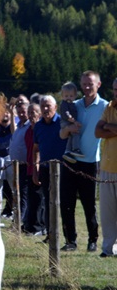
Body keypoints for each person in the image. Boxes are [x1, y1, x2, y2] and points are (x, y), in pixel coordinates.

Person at [59, 71, 106, 252]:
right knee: (66, 203)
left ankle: (93, 240)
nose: (87, 87)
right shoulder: (73, 105)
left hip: (90, 162)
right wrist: (69, 128)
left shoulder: (105, 106)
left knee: (89, 204)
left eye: (90, 84)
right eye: (84, 84)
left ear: (98, 85)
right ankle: (70, 241)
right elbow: (62, 134)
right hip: (70, 160)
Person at [31, 95, 66, 241]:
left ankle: (69, 239)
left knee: (65, 203)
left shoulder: (62, 123)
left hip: (64, 169)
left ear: (55, 107)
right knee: (48, 202)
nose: (45, 109)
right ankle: (51, 235)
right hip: (45, 169)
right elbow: (35, 149)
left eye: (48, 106)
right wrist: (35, 170)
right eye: (43, 106)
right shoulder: (38, 126)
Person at [94, 78, 117, 257]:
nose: (116, 93)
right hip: (107, 167)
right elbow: (97, 131)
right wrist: (111, 127)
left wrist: (108, 127)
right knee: (107, 212)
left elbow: (104, 130)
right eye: (115, 89)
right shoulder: (109, 107)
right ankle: (108, 248)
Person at [5, 95, 31, 226]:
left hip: (26, 165)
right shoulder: (20, 125)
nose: (21, 114)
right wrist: (11, 113)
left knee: (24, 194)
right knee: (17, 193)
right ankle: (18, 220)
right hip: (17, 165)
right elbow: (13, 131)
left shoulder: (30, 125)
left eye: (23, 112)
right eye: (19, 112)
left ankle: (20, 222)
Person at [23, 101, 44, 235]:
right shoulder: (28, 131)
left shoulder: (41, 129)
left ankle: (39, 226)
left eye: (34, 112)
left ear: (40, 114)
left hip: (39, 168)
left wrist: (37, 168)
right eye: (29, 112)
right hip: (29, 168)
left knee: (39, 199)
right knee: (31, 198)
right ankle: (29, 225)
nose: (31, 115)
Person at [59, 81, 84, 163]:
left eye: (71, 96)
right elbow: (65, 112)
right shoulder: (64, 104)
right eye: (66, 96)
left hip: (69, 121)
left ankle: (68, 151)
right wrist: (70, 118)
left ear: (75, 96)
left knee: (71, 136)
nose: (68, 98)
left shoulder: (73, 104)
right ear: (62, 96)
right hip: (66, 122)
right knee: (75, 133)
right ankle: (76, 149)